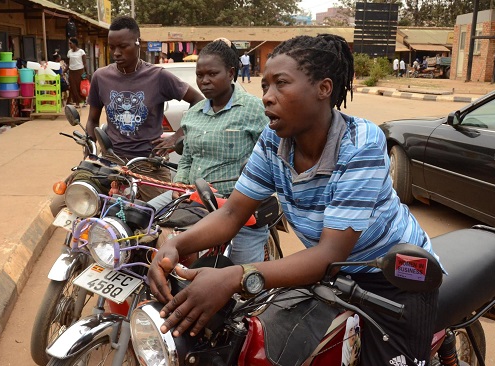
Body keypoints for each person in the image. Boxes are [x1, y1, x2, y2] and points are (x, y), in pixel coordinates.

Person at [148, 34, 442, 366]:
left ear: (324, 88)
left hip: (394, 276)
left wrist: (234, 276)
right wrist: (176, 244)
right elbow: (231, 213)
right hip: (331, 272)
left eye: (281, 84)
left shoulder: (361, 143)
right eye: (264, 87)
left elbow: (331, 252)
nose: (267, 99)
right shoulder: (273, 140)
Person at [148, 39, 269, 264]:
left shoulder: (254, 109)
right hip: (190, 196)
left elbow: (270, 155)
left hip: (235, 204)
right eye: (200, 75)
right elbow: (187, 158)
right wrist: (179, 187)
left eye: (212, 74)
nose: (204, 81)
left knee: (242, 278)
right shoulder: (193, 114)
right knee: (140, 218)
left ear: (231, 72)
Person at [85, 16, 203, 201]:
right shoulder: (101, 77)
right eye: (112, 47)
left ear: (138, 43)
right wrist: (90, 152)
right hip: (112, 160)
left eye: (123, 46)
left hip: (149, 162)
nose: (116, 53)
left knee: (165, 212)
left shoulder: (158, 77)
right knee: (76, 195)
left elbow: (198, 100)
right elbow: (92, 120)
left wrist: (178, 135)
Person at [67, 37, 87, 108]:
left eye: (70, 43)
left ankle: (84, 101)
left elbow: (84, 63)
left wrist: (86, 73)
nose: (69, 45)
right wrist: (64, 71)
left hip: (80, 71)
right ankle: (77, 103)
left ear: (74, 44)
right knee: (73, 87)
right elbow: (68, 63)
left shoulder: (81, 52)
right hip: (72, 71)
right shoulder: (69, 52)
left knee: (80, 87)